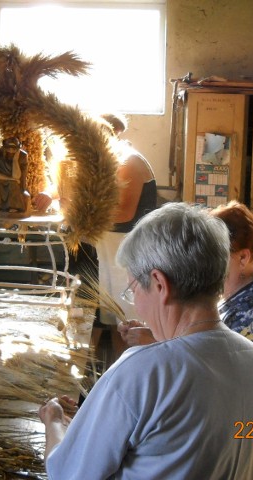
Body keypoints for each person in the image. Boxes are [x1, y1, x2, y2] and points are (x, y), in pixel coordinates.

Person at [39, 202, 253, 479]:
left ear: (159, 284)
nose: (136, 305)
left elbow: (67, 474)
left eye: (133, 290)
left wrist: (55, 421)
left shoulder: (141, 372)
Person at [119, 200, 253, 362]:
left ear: (243, 257)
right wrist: (156, 330)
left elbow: (214, 368)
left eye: (217, 255)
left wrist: (154, 342)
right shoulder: (240, 288)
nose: (205, 262)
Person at [95, 113, 156, 337]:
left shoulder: (130, 162)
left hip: (129, 252)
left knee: (129, 324)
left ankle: (131, 369)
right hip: (112, 251)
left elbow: (123, 214)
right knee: (115, 322)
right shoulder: (111, 163)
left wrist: (81, 214)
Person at [0, 137, 31, 216]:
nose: (11, 150)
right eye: (9, 148)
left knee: (13, 184)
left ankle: (14, 206)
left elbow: (17, 176)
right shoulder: (1, 152)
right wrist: (10, 178)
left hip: (16, 182)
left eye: (14, 148)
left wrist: (15, 160)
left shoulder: (23, 155)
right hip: (3, 178)